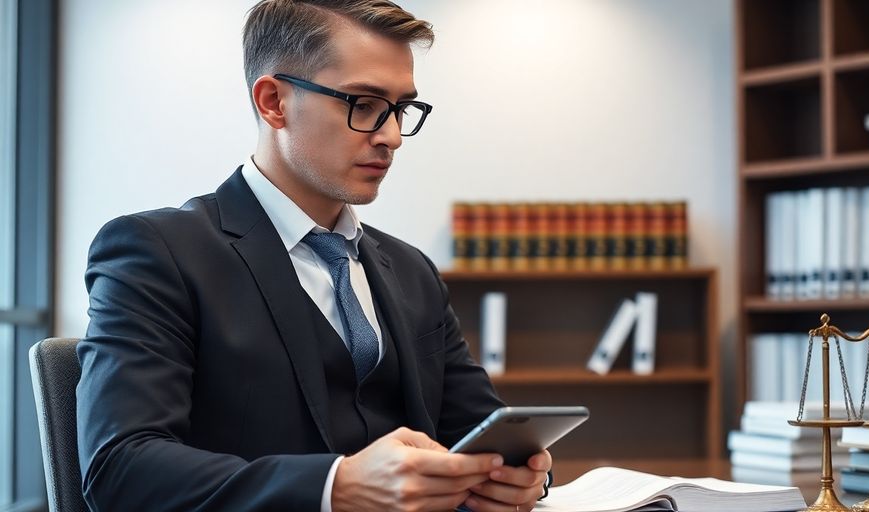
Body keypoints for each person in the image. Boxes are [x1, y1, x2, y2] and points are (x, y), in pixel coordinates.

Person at [76, 1, 551, 510]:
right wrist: (335, 486)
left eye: (401, 109)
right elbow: (121, 467)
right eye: (363, 104)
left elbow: (479, 432)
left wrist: (518, 476)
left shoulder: (411, 271)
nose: (390, 136)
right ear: (274, 101)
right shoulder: (157, 252)